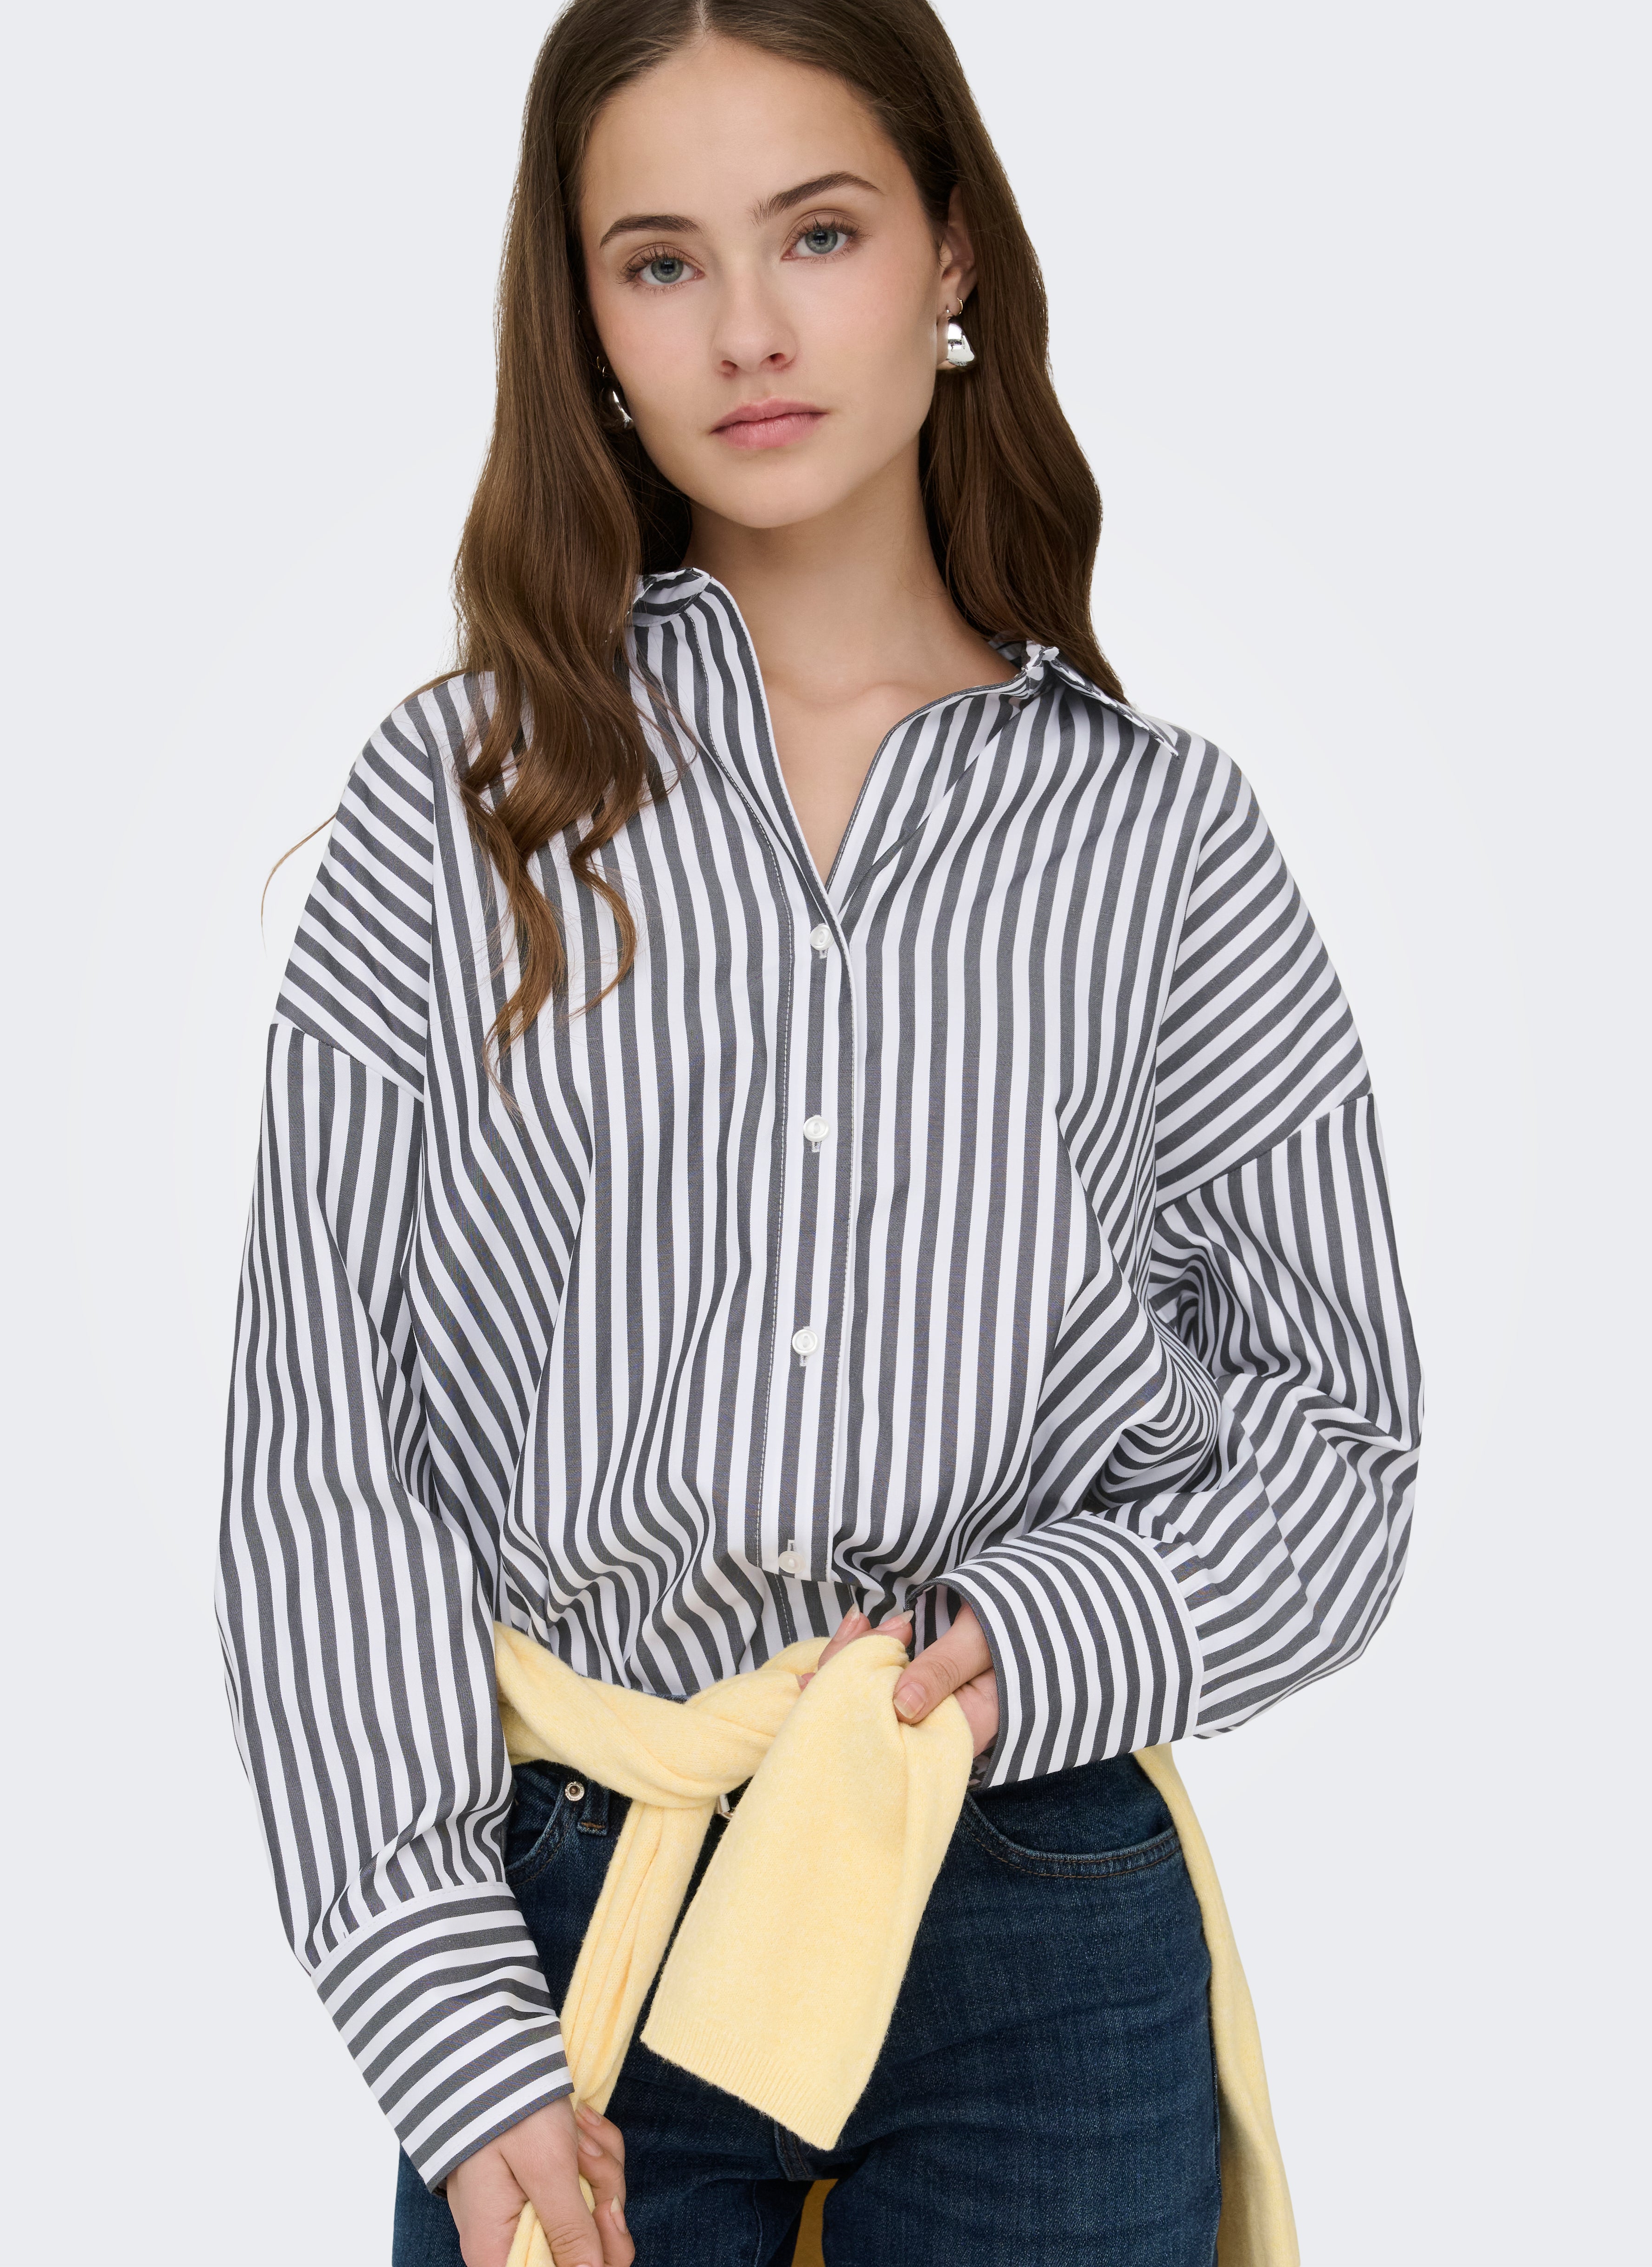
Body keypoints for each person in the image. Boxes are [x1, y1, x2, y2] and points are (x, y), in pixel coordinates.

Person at [215, 3, 1421, 2261]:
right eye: (661, 261)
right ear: (584, 319)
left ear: (950, 252)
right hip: (570, 1927)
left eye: (821, 232)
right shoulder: (455, 811)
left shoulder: (1162, 844)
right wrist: (445, 2018)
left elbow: (1336, 1437)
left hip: (1028, 1894)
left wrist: (1048, 1627)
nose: (747, 331)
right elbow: (325, 1453)